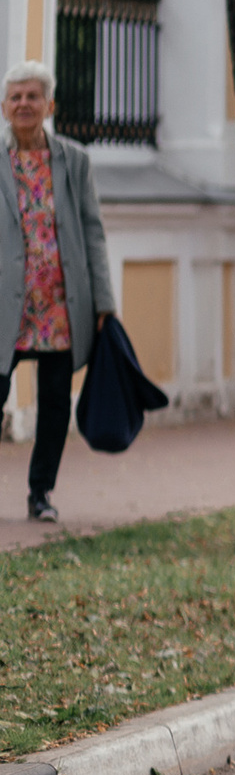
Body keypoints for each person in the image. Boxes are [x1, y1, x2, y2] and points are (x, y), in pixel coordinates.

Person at [0, 62, 116, 522]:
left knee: (53, 404)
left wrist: (104, 301)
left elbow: (93, 230)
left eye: (33, 96)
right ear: (4, 107)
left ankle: (40, 493)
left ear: (50, 105)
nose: (24, 104)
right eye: (16, 97)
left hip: (59, 305)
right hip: (5, 306)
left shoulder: (74, 159)